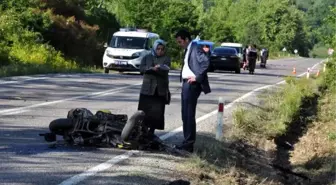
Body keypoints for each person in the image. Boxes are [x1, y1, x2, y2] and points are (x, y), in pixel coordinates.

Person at [174, 29, 211, 152]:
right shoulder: (189, 48)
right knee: (185, 114)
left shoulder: (195, 47)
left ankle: (189, 144)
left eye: (180, 42)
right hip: (186, 84)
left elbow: (206, 62)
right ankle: (186, 141)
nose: (179, 44)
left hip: (192, 84)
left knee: (188, 114)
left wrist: (197, 77)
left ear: (186, 39)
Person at [138, 39, 171, 136]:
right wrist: (150, 69)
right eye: (158, 49)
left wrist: (159, 68)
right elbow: (141, 69)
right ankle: (142, 130)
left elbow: (166, 69)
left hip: (159, 90)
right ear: (154, 48)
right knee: (144, 111)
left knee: (157, 113)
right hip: (147, 89)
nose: (160, 51)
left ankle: (151, 132)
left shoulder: (166, 58)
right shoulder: (147, 57)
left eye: (162, 49)